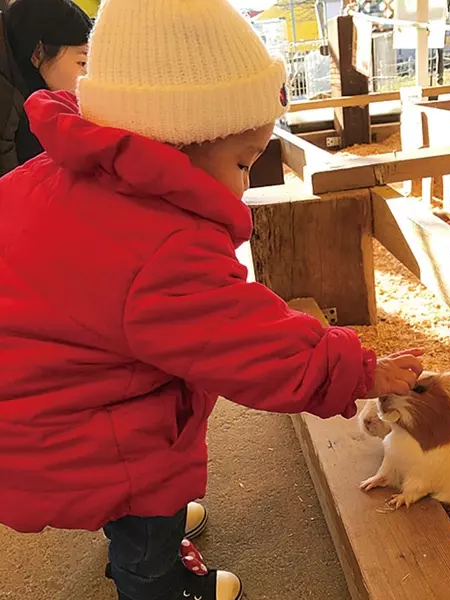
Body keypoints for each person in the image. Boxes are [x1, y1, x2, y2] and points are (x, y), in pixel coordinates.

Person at [0, 1, 425, 600]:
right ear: (176, 143)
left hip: (47, 400)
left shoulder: (64, 173)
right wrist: (360, 369)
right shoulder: (160, 243)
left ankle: (136, 536)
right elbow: (252, 343)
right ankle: (156, 578)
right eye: (244, 162)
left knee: (130, 505)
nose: (246, 184)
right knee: (148, 505)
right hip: (87, 429)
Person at [0, 0, 91, 177]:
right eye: (82, 63)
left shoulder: (28, 87)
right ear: (38, 53)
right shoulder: (5, 100)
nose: (86, 77)